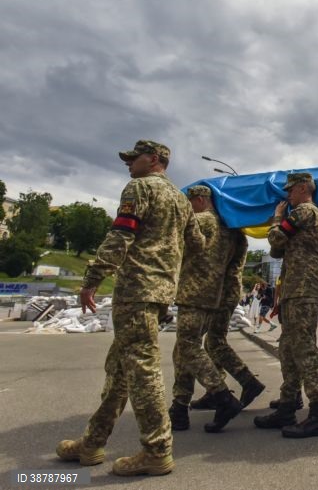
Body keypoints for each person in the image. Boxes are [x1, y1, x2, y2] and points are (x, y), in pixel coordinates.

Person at [56, 140, 204, 476]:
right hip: (160, 291)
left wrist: (92, 278)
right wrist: (169, 265)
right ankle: (92, 443)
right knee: (119, 369)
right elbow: (198, 244)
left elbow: (120, 236)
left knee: (141, 369)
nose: (127, 164)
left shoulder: (139, 188)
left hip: (136, 290)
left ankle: (157, 449)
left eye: (132, 158)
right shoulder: (181, 200)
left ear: (153, 160)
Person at [168, 185, 265, 433]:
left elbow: (174, 242)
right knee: (196, 346)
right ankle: (182, 406)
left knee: (189, 347)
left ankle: (218, 395)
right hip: (217, 294)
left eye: (191, 202)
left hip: (196, 292)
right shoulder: (234, 232)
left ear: (200, 200)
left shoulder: (203, 221)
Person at [253, 173, 318, 438]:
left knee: (303, 347)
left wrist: (277, 217)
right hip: (293, 288)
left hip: (303, 287)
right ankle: (288, 405)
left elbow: (276, 240)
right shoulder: (298, 214)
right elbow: (277, 251)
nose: (287, 195)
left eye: (290, 190)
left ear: (302, 189)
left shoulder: (305, 211)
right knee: (287, 348)